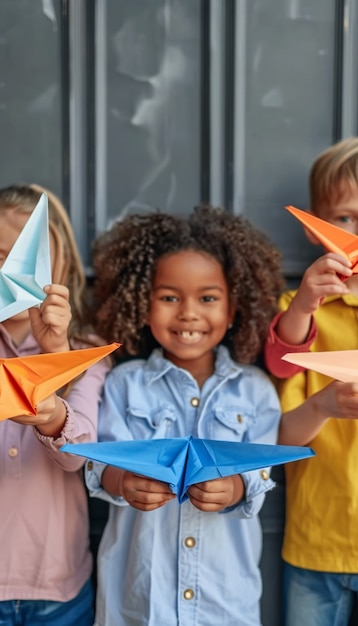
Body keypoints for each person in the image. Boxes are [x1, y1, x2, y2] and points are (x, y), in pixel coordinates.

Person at [85, 204, 284, 626]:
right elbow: (97, 464)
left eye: (208, 298)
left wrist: (234, 487)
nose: (189, 313)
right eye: (169, 297)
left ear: (232, 310)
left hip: (224, 603)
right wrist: (123, 480)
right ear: (143, 304)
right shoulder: (125, 385)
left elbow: (261, 474)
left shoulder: (256, 391)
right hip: (140, 603)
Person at [0, 184, 111, 626]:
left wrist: (55, 356)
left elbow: (75, 457)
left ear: (55, 263)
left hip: (58, 588)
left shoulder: (88, 350)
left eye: (18, 260)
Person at [264, 136, 358, 626]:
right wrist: (323, 406)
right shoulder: (297, 311)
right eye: (345, 218)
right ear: (316, 228)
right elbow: (280, 437)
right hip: (317, 544)